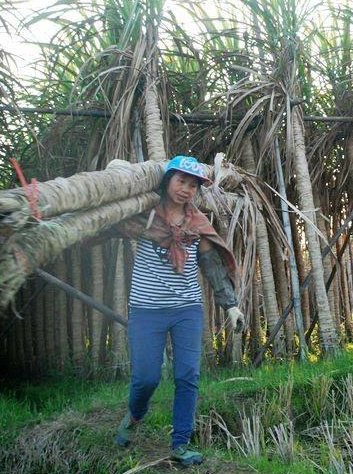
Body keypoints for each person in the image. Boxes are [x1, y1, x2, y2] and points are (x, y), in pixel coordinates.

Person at [113, 155, 244, 466]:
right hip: (146, 309)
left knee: (188, 375)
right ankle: (135, 415)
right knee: (146, 378)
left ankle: (180, 444)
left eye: (193, 184)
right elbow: (105, 222)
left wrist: (232, 306)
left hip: (187, 309)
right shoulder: (144, 214)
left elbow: (211, 266)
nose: (186, 188)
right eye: (181, 181)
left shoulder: (197, 224)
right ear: (168, 180)